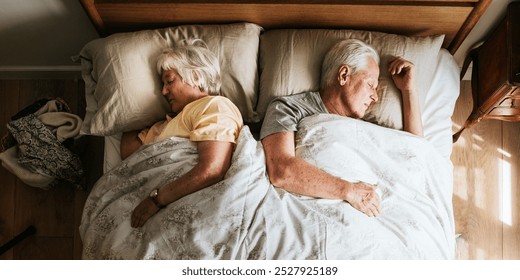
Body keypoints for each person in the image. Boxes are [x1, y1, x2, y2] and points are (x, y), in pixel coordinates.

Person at [260, 39, 423, 217]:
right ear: (344, 75)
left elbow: (415, 156)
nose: (375, 98)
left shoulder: (365, 128)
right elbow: (281, 170)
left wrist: (409, 90)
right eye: (370, 85)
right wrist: (348, 190)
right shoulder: (289, 108)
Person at [120, 39, 243, 228]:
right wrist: (131, 104)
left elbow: (213, 170)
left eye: (169, 81)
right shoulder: (164, 124)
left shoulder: (214, 105)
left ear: (195, 76)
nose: (163, 91)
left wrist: (156, 200)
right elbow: (129, 156)